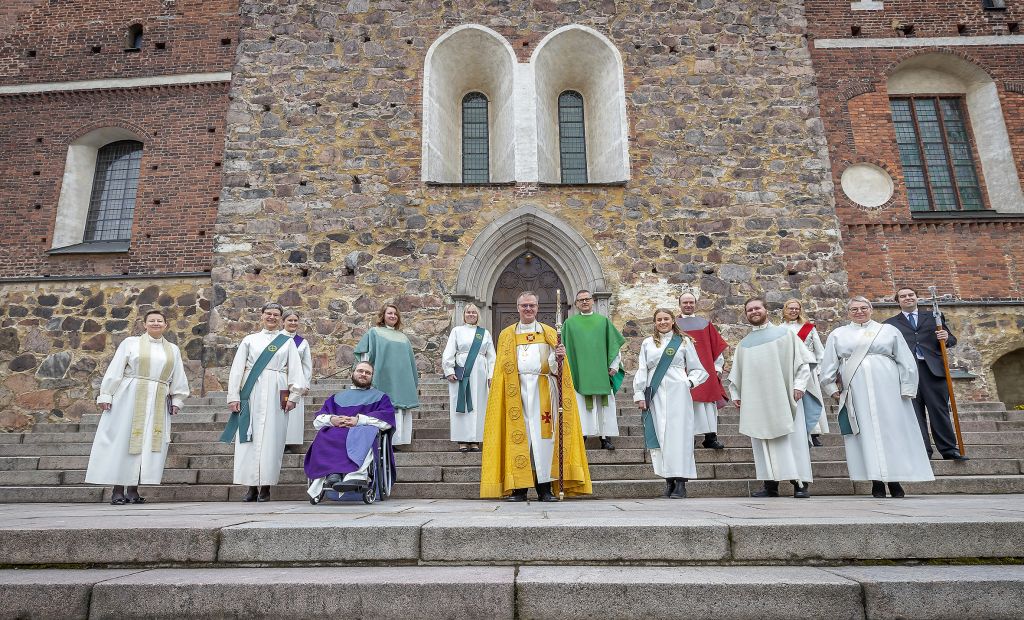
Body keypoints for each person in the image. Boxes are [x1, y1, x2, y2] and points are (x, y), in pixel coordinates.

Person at [480, 291, 592, 502]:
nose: (528, 309)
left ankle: (545, 489)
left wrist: (559, 358)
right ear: (518, 307)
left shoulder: (549, 332)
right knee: (518, 439)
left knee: (544, 441)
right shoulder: (507, 334)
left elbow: (555, 369)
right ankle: (519, 490)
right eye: (524, 306)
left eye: (532, 305)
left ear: (537, 308)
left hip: (543, 390)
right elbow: (502, 367)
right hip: (516, 391)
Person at [819, 297, 935, 498]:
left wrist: (907, 387)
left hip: (889, 389)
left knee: (892, 432)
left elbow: (905, 360)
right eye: (854, 309)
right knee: (865, 433)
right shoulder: (838, 334)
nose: (859, 312)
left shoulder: (888, 330)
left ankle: (895, 480)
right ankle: (876, 481)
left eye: (864, 308)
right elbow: (828, 363)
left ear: (871, 309)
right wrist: (830, 388)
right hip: (856, 390)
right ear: (848, 312)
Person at [85, 309, 189, 505]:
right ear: (144, 324)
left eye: (160, 321)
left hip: (158, 398)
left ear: (166, 325)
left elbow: (178, 375)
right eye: (152, 321)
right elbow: (116, 368)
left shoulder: (172, 349)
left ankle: (133, 489)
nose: (156, 323)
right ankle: (117, 489)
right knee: (123, 440)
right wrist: (106, 394)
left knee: (146, 443)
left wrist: (177, 399)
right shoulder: (130, 343)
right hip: (129, 396)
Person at [729, 297, 816, 498]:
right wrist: (737, 395)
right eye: (749, 310)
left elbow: (803, 363)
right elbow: (736, 375)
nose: (753, 312)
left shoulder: (785, 334)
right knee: (761, 441)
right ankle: (770, 485)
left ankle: (800, 484)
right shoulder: (743, 344)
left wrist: (799, 386)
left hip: (784, 395)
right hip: (756, 400)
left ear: (766, 310)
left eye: (757, 308)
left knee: (791, 439)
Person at [222, 303, 306, 502]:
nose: (272, 317)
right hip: (251, 391)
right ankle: (250, 487)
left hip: (277, 389)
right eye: (268, 313)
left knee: (272, 440)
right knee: (248, 437)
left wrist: (294, 397)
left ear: (280, 318)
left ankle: (266, 486)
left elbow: (295, 370)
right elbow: (237, 369)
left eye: (276, 315)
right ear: (261, 316)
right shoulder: (249, 340)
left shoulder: (286, 342)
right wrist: (233, 396)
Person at [884, 287, 967, 461]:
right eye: (903, 296)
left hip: (933, 371)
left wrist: (946, 337)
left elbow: (951, 340)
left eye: (910, 295)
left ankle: (949, 450)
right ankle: (923, 451)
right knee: (914, 414)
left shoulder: (933, 317)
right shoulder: (889, 324)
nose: (907, 298)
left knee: (939, 411)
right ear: (897, 301)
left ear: (917, 298)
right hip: (907, 373)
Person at [633, 309, 709, 499]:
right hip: (655, 392)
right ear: (654, 322)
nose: (662, 322)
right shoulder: (647, 343)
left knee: (680, 435)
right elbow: (642, 369)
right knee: (660, 434)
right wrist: (639, 393)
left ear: (672, 320)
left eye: (666, 319)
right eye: (659, 319)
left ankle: (681, 482)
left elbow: (698, 369)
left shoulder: (684, 341)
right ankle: (669, 480)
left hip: (679, 393)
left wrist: (689, 382)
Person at [304, 361, 396, 498]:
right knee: (325, 433)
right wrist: (332, 420)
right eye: (360, 371)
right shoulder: (336, 398)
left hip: (362, 433)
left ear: (372, 377)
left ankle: (356, 475)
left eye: (368, 373)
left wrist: (359, 420)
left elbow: (386, 421)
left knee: (367, 431)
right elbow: (318, 421)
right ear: (351, 373)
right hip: (337, 431)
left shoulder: (381, 397)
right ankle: (332, 473)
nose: (363, 374)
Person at [562, 289, 625, 450]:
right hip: (580, 372)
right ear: (576, 304)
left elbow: (614, 346)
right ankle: (581, 437)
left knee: (604, 405)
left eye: (587, 299)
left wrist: (614, 365)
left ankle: (606, 438)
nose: (584, 302)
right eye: (581, 300)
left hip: (601, 372)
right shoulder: (569, 324)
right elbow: (563, 347)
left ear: (592, 301)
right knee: (582, 406)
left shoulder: (603, 321)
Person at [354, 303, 419, 447]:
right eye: (390, 313)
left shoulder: (403, 337)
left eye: (395, 314)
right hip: (383, 377)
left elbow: (410, 360)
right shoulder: (374, 332)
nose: (393, 316)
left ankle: (398, 440)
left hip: (402, 379)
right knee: (385, 405)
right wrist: (365, 373)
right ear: (383, 316)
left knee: (400, 407)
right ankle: (382, 440)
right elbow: (366, 353)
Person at [676, 288, 728, 450]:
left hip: (706, 371)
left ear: (696, 304)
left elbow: (716, 347)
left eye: (691, 302)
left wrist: (717, 367)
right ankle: (688, 437)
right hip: (682, 372)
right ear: (680, 305)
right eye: (685, 302)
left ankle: (710, 438)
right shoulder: (673, 325)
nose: (688, 305)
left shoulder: (705, 324)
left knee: (707, 406)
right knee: (687, 405)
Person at [442, 304, 495, 453]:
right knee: (462, 405)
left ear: (478, 315)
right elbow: (449, 352)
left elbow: (491, 356)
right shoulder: (457, 331)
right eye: (468, 312)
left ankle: (476, 439)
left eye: (474, 312)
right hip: (462, 373)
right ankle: (463, 440)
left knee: (479, 405)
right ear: (464, 315)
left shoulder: (484, 333)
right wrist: (449, 370)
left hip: (480, 373)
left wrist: (491, 375)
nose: (471, 314)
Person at [781, 299, 828, 447]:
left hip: (810, 369)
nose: (793, 311)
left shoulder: (808, 328)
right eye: (790, 308)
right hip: (791, 370)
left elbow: (820, 351)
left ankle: (814, 432)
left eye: (796, 308)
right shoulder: (779, 329)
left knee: (811, 399)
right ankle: (797, 432)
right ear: (785, 310)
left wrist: (820, 370)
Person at [282, 310, 313, 450]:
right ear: (283, 322)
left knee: (293, 411)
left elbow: (306, 365)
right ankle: (278, 439)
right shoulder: (277, 339)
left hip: (296, 381)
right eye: (290, 320)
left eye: (295, 320)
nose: (293, 323)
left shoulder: (302, 342)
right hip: (281, 380)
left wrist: (306, 383)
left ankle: (290, 442)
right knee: (281, 409)